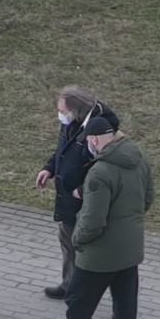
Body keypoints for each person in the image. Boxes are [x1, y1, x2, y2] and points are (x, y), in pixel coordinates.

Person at [41, 117, 154, 319]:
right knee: (125, 301)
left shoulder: (99, 173)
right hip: (130, 249)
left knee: (78, 303)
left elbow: (93, 221)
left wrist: (77, 239)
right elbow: (147, 199)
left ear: (93, 139)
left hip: (98, 256)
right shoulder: (140, 159)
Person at [36, 86, 120, 300]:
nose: (60, 116)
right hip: (68, 200)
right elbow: (63, 150)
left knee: (89, 250)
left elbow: (106, 166)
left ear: (76, 110)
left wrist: (83, 190)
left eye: (63, 111)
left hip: (86, 201)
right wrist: (49, 168)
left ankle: (104, 296)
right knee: (68, 241)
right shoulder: (72, 124)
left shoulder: (101, 128)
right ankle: (69, 285)